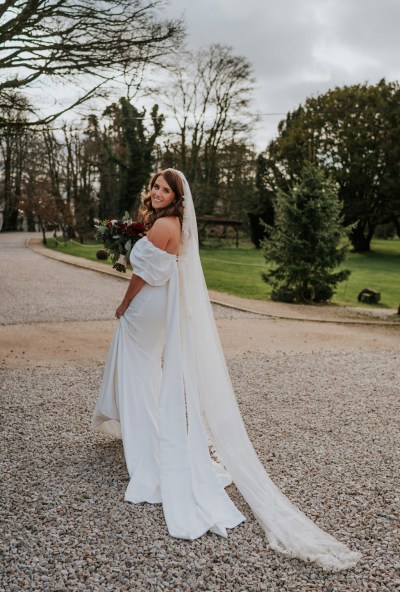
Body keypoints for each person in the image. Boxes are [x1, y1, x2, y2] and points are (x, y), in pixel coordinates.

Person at [92, 169, 361, 570]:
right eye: (156, 187)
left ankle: (144, 442)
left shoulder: (163, 224)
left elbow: (140, 275)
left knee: (137, 369)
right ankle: (136, 427)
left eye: (167, 189)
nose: (159, 192)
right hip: (159, 307)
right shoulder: (175, 224)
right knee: (143, 369)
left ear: (177, 196)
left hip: (145, 304)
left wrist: (123, 304)